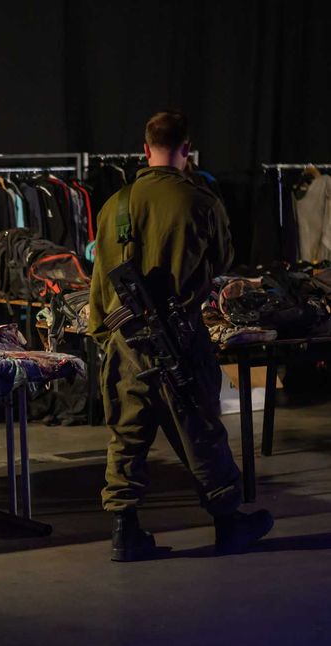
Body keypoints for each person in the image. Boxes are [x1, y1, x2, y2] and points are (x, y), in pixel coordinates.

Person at [87, 110, 273, 562]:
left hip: (125, 342)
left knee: (126, 436)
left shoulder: (117, 204)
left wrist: (104, 339)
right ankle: (228, 524)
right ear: (187, 149)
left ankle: (123, 531)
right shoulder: (200, 201)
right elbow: (224, 257)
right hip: (181, 340)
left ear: (143, 151)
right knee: (201, 429)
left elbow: (99, 284)